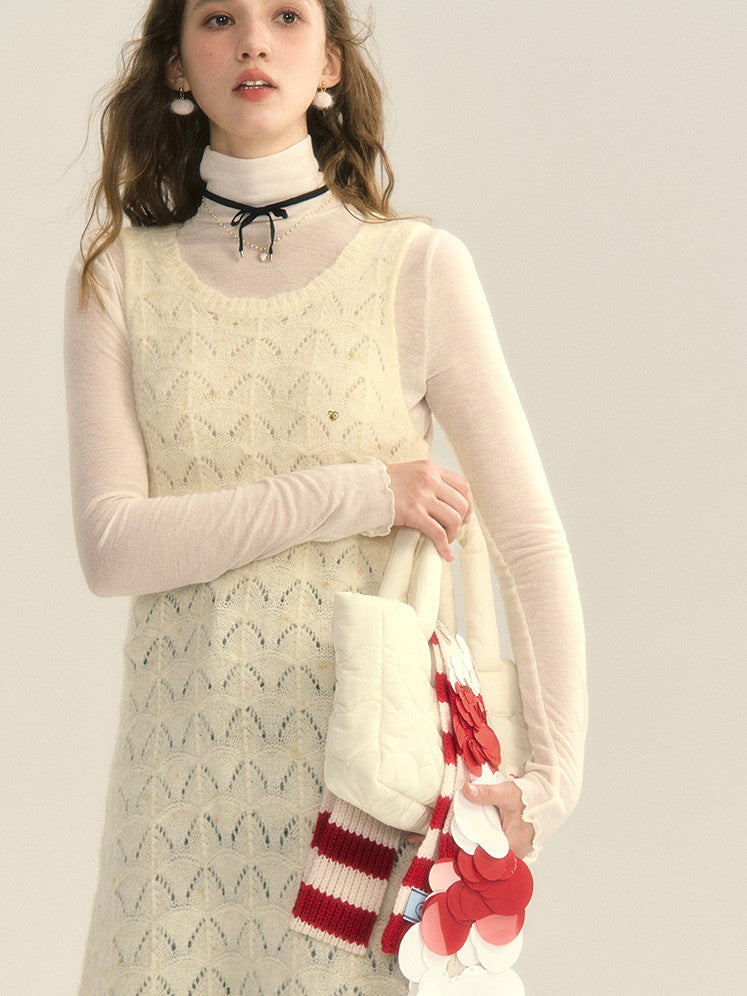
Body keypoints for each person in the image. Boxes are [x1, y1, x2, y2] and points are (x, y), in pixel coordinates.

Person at [64, 0, 587, 992]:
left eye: (287, 16)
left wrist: (550, 781)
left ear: (332, 63)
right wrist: (360, 491)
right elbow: (112, 548)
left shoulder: (415, 267)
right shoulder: (121, 279)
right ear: (175, 67)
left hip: (365, 797)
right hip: (181, 797)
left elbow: (526, 538)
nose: (254, 41)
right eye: (218, 18)